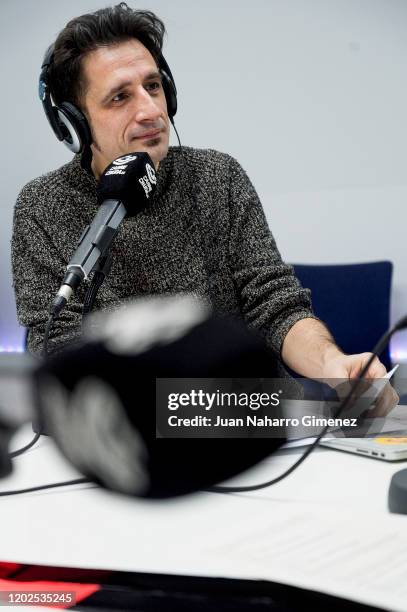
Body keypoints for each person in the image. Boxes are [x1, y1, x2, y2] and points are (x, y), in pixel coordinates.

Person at [11, 3, 396, 414]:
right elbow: (59, 348)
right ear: (75, 125)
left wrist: (334, 365)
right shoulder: (41, 207)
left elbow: (274, 305)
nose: (150, 110)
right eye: (120, 96)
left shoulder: (218, 175)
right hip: (131, 431)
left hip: (249, 425)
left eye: (153, 86)